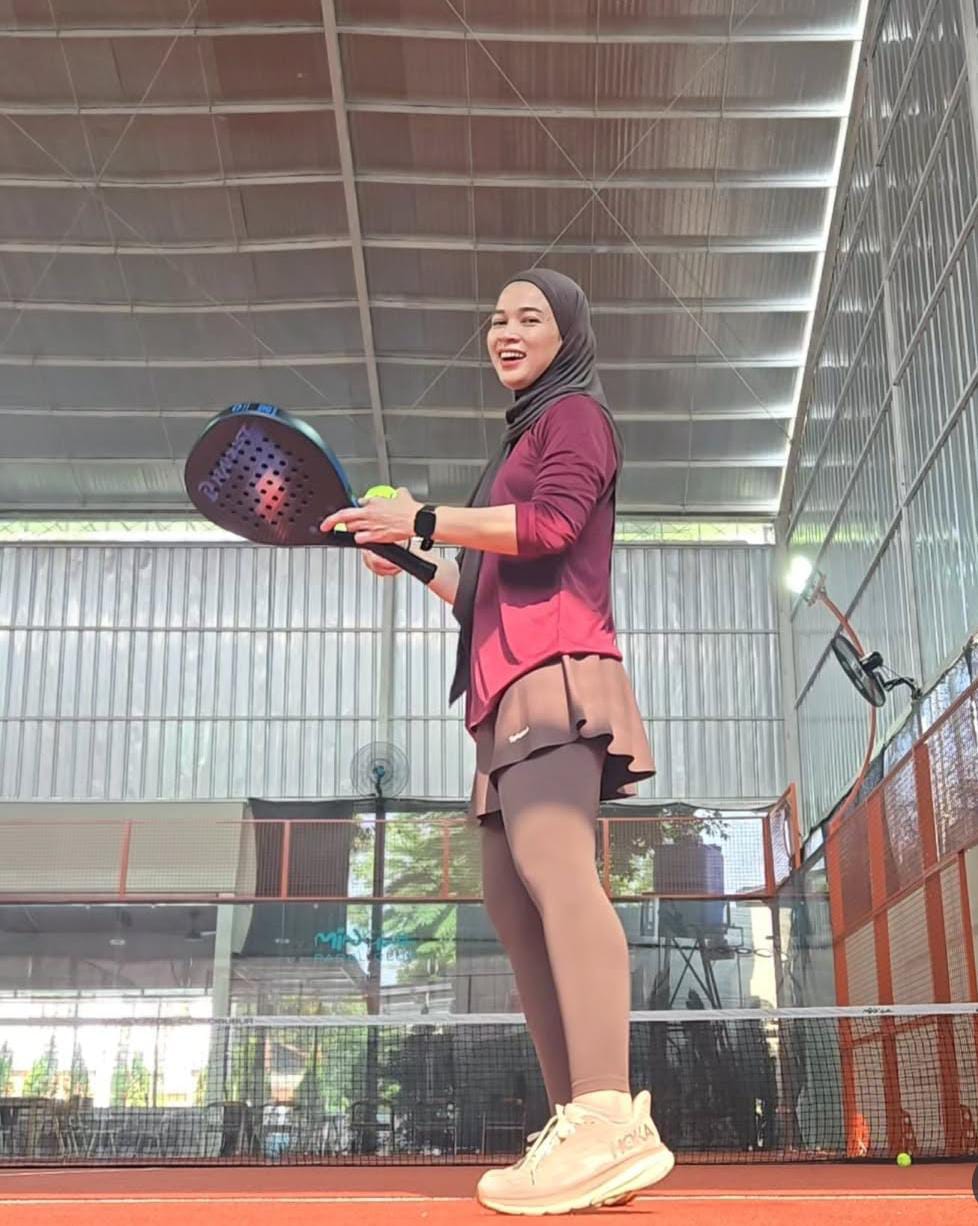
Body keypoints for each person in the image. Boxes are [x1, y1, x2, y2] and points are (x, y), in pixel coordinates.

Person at [321, 269, 674, 1214]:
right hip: (500, 691)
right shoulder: (515, 443)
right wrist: (410, 553)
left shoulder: (577, 418)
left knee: (558, 870)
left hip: (555, 675)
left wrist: (422, 516)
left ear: (569, 334)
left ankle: (606, 1113)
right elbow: (478, 592)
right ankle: (575, 1131)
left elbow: (551, 527)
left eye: (529, 318)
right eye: (495, 320)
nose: (505, 332)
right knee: (512, 906)